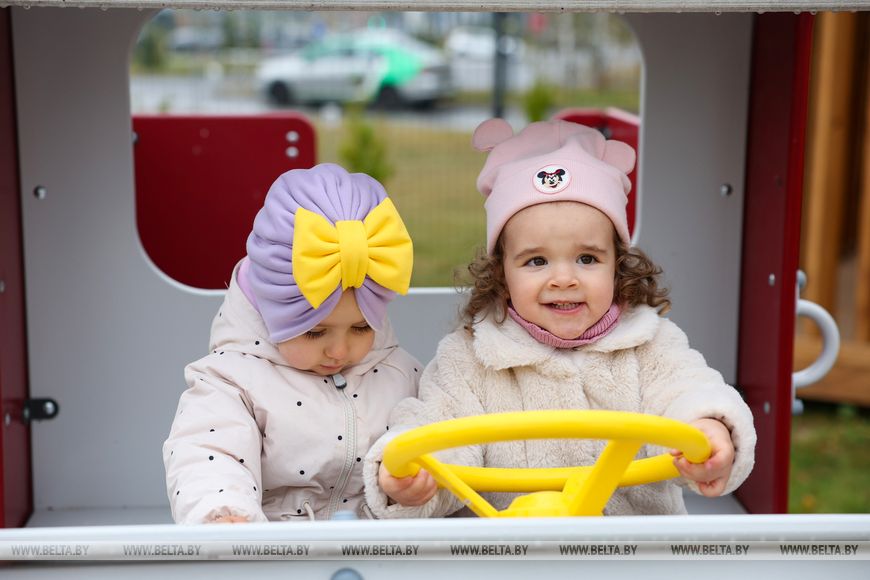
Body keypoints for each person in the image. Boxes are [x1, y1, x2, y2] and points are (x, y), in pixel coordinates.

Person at [363, 119, 756, 517]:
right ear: (502, 274)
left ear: (617, 265)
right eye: (536, 261)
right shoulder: (469, 359)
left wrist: (708, 427)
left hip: (634, 548)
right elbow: (437, 428)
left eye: (587, 258)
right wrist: (415, 475)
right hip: (509, 548)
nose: (564, 279)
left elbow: (688, 390)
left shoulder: (651, 346)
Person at [163, 163, 420, 524]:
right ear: (269, 311)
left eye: (361, 328)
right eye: (315, 332)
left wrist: (411, 490)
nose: (339, 350)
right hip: (275, 550)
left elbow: (436, 448)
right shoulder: (233, 383)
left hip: (378, 552)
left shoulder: (400, 375)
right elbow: (209, 454)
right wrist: (226, 516)